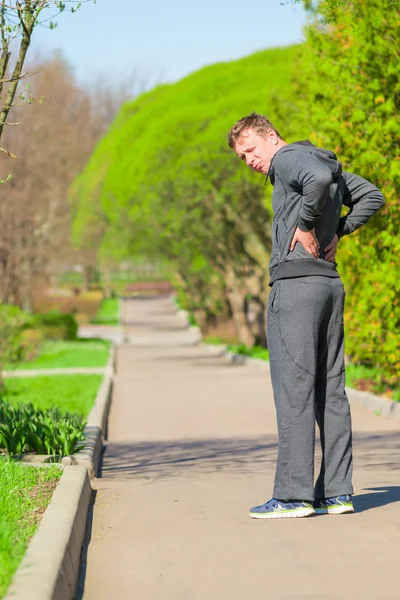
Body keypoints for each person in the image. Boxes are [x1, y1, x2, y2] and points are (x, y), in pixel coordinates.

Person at [228, 112, 385, 519]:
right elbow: (372, 196)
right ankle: (336, 493)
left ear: (272, 137)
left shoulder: (290, 160)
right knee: (331, 391)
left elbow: (313, 181)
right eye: (242, 157)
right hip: (328, 287)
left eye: (251, 150)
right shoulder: (327, 165)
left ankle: (294, 496)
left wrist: (305, 225)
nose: (250, 161)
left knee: (295, 389)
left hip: (296, 289)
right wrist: (339, 232)